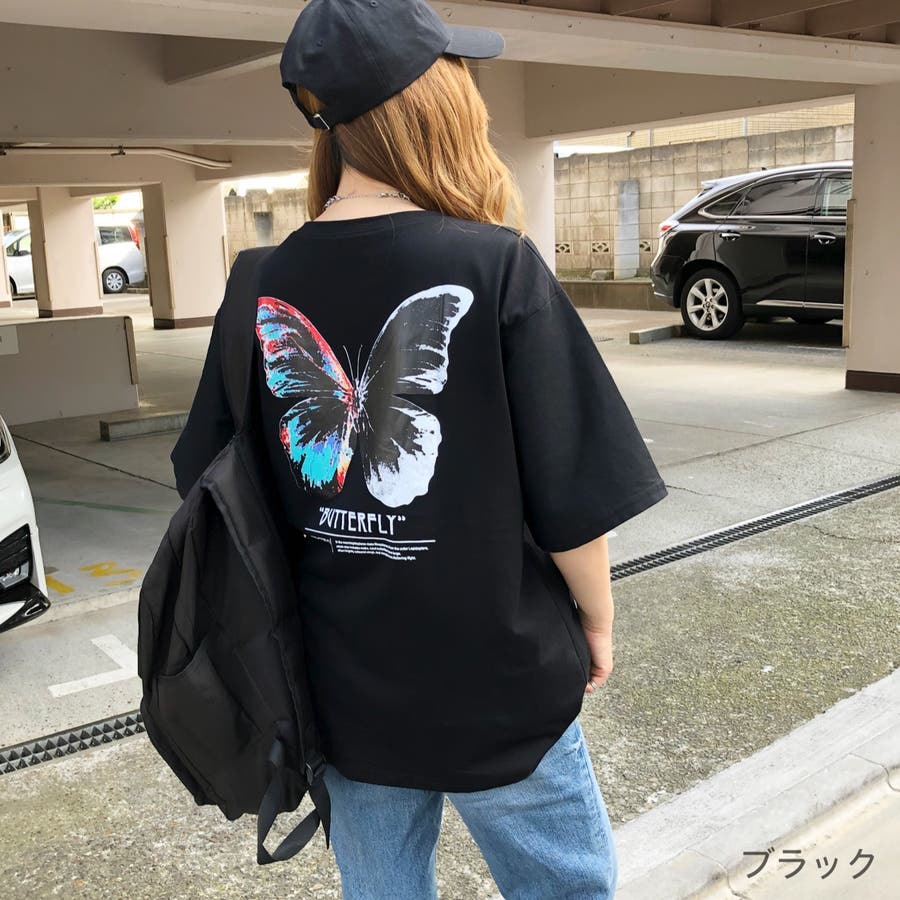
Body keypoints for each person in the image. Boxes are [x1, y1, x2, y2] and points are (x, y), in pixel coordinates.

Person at [171, 0, 668, 896]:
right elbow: (574, 491)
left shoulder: (259, 281)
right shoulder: (495, 264)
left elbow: (207, 479)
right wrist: (596, 621)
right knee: (565, 886)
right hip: (500, 675)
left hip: (340, 685)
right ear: (430, 104)